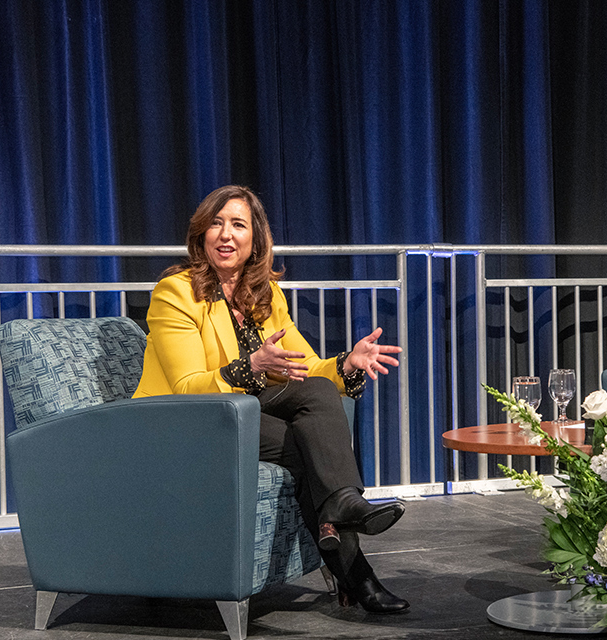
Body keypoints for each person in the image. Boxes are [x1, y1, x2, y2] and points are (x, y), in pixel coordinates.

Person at [133, 185, 409, 613]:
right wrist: (252, 366)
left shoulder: (264, 295)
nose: (226, 234)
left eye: (238, 225)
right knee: (306, 447)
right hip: (187, 419)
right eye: (216, 224)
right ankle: (356, 570)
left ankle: (342, 504)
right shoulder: (176, 292)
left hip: (244, 411)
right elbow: (187, 386)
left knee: (318, 391)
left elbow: (306, 366)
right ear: (201, 234)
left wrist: (348, 364)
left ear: (255, 239)